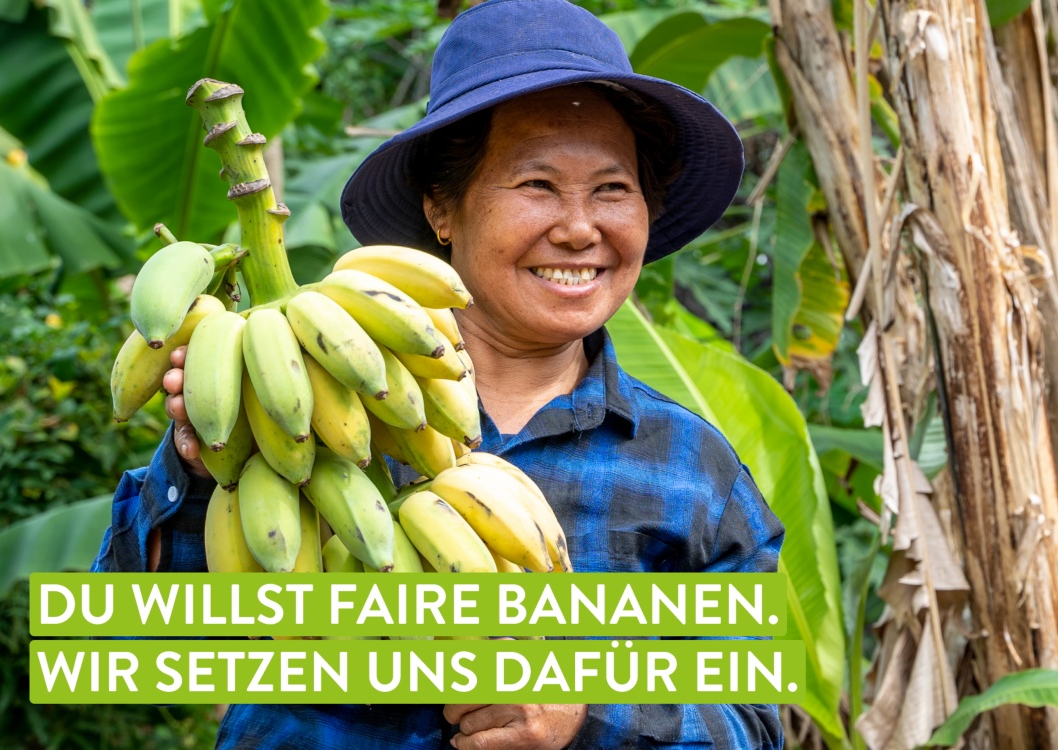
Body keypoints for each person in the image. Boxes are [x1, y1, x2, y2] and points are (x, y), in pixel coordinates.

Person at [90, 0, 786, 747]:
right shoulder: (311, 412)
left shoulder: (690, 467)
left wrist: (588, 714)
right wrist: (204, 465)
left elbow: (751, 722)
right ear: (441, 209)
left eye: (613, 189)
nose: (580, 228)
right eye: (538, 185)